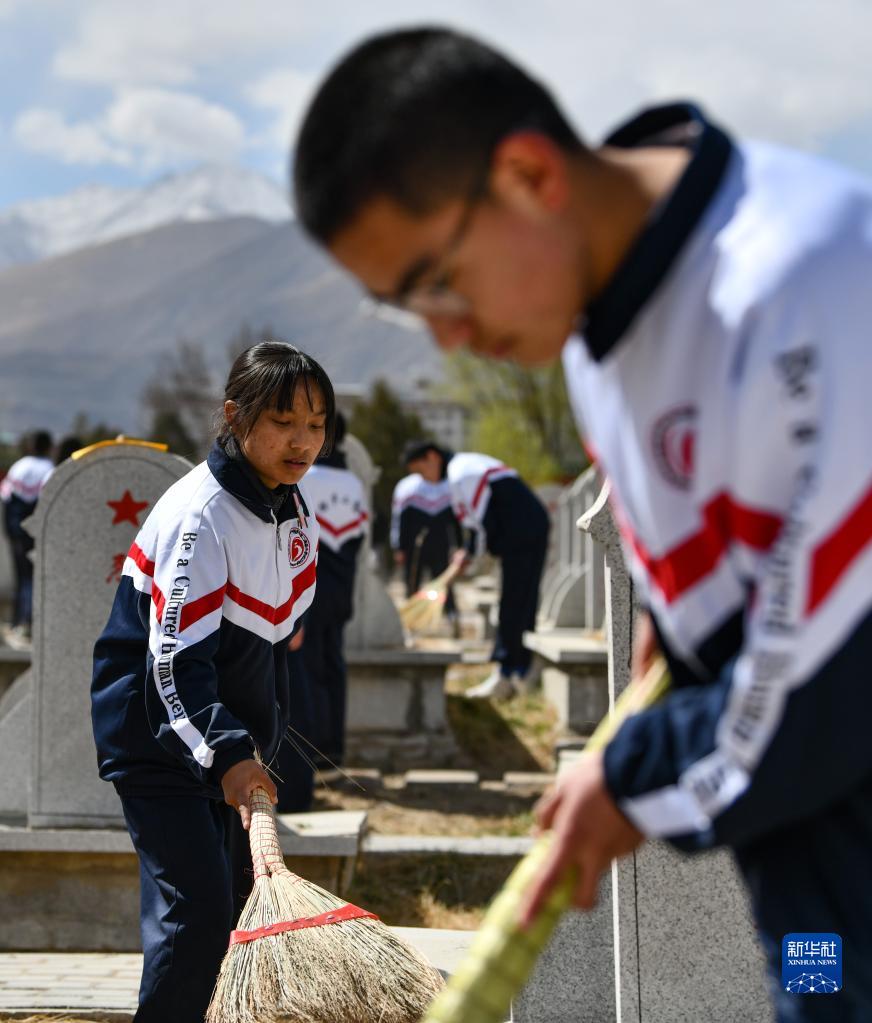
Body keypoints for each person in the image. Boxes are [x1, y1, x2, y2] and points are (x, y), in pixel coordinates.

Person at [293, 27, 872, 1019]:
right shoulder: (594, 341)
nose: (447, 334)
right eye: (405, 310)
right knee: (815, 987)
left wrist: (626, 778)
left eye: (437, 281)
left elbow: (824, 680)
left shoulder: (802, 281)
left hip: (828, 779)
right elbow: (689, 599)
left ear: (525, 174)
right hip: (811, 873)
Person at [91, 340, 334, 1023]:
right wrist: (229, 751)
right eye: (284, 420)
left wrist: (254, 739)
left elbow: (274, 633)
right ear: (236, 415)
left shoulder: (287, 506)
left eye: (316, 424)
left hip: (221, 739)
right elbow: (173, 663)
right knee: (194, 914)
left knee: (221, 909)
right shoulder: (203, 517)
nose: (303, 439)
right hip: (158, 735)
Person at [402, 440, 548, 699]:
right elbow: (480, 521)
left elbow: (482, 522)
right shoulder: (464, 469)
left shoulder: (463, 472)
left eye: (421, 470)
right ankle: (518, 671)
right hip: (526, 530)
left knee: (516, 602)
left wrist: (468, 554)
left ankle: (508, 673)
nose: (423, 478)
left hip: (524, 533)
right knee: (520, 600)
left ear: (433, 457)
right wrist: (468, 551)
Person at [280, 410, 368, 784]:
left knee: (309, 670)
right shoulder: (353, 483)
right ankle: (334, 747)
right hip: (343, 588)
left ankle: (312, 753)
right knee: (334, 664)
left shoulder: (304, 479)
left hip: (309, 590)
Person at [1, 429, 54, 648]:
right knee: (36, 579)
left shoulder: (18, 467)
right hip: (40, 535)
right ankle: (29, 621)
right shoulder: (49, 469)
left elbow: (7, 499)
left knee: (22, 577)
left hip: (17, 532)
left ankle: (19, 620)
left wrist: (10, 532)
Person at [390, 467, 461, 623]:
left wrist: (460, 546)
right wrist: (399, 547)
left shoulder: (446, 487)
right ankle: (412, 618)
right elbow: (399, 520)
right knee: (412, 582)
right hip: (414, 548)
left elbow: (456, 522)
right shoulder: (407, 487)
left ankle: (451, 616)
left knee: (444, 583)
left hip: (441, 546)